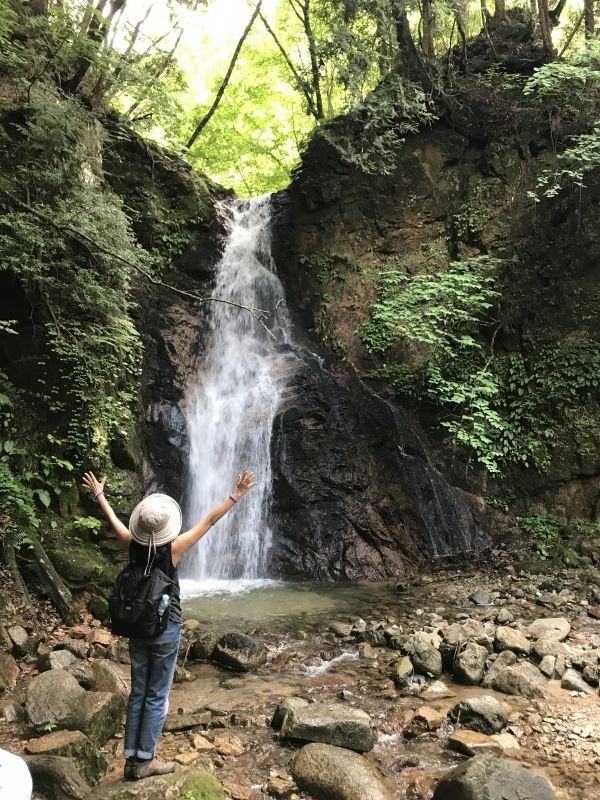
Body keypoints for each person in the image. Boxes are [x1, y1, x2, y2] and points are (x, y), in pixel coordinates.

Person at [82, 470, 256, 781]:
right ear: (166, 528)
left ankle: (130, 758)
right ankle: (145, 760)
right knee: (157, 695)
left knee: (138, 692)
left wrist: (99, 495)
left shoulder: (131, 545)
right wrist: (237, 494)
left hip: (137, 628)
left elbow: (113, 521)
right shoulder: (173, 549)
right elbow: (209, 522)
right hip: (165, 628)